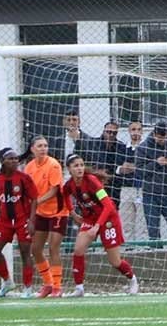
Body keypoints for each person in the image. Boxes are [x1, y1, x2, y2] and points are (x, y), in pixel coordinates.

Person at [63, 154, 140, 297]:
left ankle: (133, 280)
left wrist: (97, 226)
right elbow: (64, 194)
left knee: (114, 260)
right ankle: (79, 288)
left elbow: (108, 206)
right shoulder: (69, 185)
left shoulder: (91, 181)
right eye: (76, 166)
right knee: (78, 249)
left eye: (81, 165)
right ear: (69, 169)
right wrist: (73, 214)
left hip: (108, 219)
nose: (79, 168)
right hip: (90, 219)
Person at [0, 147, 37, 299]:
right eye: (10, 159)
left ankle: (28, 287)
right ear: (3, 161)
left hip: (22, 219)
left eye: (16, 158)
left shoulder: (23, 178)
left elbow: (34, 199)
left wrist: (31, 220)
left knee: (25, 251)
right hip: (4, 221)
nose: (15, 161)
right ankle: (7, 281)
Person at [26, 136, 68, 298]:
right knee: (35, 249)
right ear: (32, 149)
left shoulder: (53, 165)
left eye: (45, 145)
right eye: (39, 146)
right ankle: (48, 283)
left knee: (53, 247)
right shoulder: (29, 167)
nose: (43, 148)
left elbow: (54, 190)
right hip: (41, 213)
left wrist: (35, 202)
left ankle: (57, 287)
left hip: (58, 212)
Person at [138, 120, 167, 245]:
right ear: (154, 134)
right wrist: (156, 163)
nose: (162, 140)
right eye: (159, 137)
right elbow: (139, 172)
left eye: (165, 137)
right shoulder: (143, 148)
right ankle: (156, 252)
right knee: (153, 229)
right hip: (150, 194)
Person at [114, 120, 145, 243]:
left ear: (142, 131)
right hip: (126, 188)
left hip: (142, 188)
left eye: (138, 129)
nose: (136, 133)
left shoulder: (146, 147)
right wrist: (122, 169)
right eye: (133, 129)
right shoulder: (122, 148)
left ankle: (144, 246)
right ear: (128, 131)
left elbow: (148, 167)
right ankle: (128, 246)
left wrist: (134, 167)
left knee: (143, 221)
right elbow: (116, 168)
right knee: (126, 220)